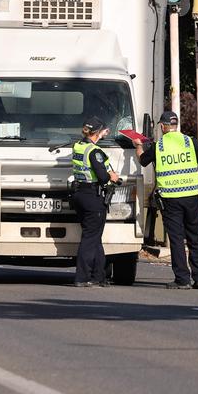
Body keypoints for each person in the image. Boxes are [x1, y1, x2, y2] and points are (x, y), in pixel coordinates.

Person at [139, 111, 198, 290]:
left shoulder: (158, 146)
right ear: (176, 124)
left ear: (163, 126)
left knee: (176, 239)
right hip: (191, 197)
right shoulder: (190, 142)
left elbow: (143, 161)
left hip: (170, 199)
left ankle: (182, 279)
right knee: (195, 237)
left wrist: (138, 146)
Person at [71, 116, 120, 287]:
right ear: (97, 132)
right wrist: (112, 177)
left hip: (79, 194)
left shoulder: (78, 146)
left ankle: (99, 275)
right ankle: (82, 277)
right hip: (92, 196)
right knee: (90, 238)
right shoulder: (95, 151)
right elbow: (102, 176)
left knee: (94, 236)